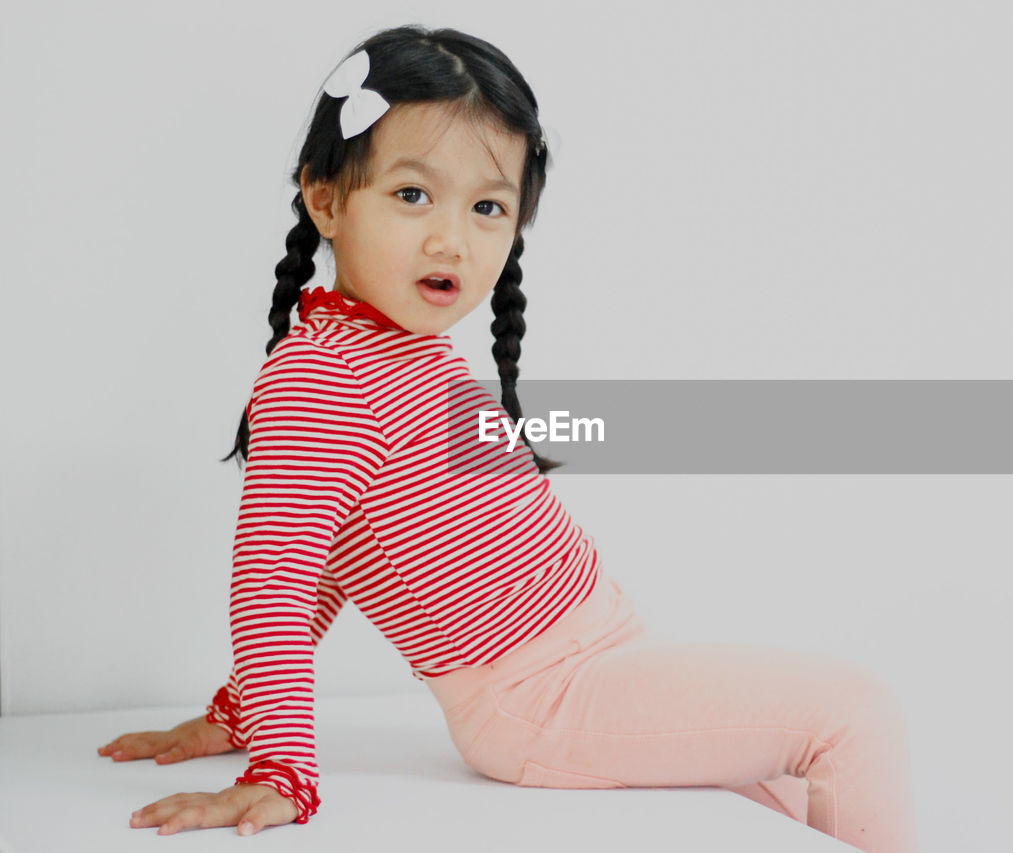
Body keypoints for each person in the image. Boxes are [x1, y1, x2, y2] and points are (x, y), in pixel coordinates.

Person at [95, 24, 920, 852]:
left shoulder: (402, 352)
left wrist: (234, 710)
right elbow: (276, 575)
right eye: (413, 194)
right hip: (544, 696)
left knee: (787, 792)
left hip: (605, 652)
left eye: (487, 206)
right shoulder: (322, 378)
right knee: (854, 713)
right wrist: (279, 766)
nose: (452, 237)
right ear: (327, 199)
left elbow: (349, 547)